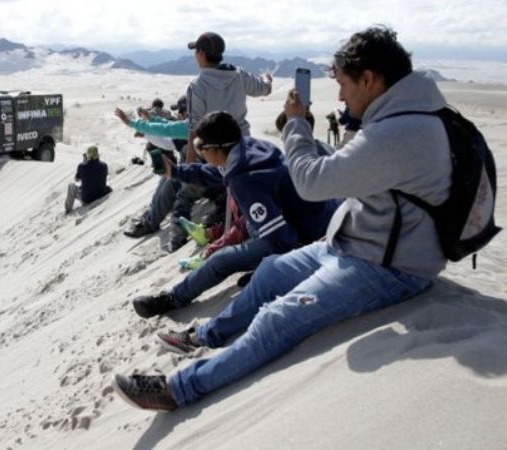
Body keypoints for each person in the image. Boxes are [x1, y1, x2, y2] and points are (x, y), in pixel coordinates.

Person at [112, 25, 452, 412]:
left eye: (343, 84)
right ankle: (203, 334)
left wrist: (295, 123)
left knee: (278, 317)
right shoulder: (402, 116)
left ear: (370, 79)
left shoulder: (399, 131)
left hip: (387, 264)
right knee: (270, 273)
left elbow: (311, 182)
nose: (340, 95)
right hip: (353, 240)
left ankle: (179, 388)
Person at [131, 111, 338, 318]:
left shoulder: (243, 178)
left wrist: (272, 269)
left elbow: (280, 237)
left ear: (216, 149)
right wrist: (176, 172)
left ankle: (173, 298)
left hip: (304, 233)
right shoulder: (248, 148)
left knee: (222, 260)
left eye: (200, 147)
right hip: (311, 214)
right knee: (246, 227)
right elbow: (216, 173)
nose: (200, 152)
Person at [118, 97, 226, 252]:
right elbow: (168, 128)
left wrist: (133, 123)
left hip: (212, 180)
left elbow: (167, 131)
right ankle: (151, 217)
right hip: (207, 176)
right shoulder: (199, 124)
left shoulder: (195, 126)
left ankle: (174, 240)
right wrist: (150, 122)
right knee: (171, 178)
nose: (180, 116)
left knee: (180, 192)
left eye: (182, 112)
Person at [185, 32, 273, 163]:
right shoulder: (239, 75)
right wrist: (267, 78)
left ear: (201, 53)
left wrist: (188, 170)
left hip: (214, 154)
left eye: (196, 51)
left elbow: (194, 130)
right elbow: (265, 89)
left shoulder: (197, 86)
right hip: (243, 147)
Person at [64, 145, 111, 214]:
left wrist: (84, 162)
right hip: (101, 195)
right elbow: (103, 174)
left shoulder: (81, 166)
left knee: (71, 186)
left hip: (87, 199)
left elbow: (77, 179)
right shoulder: (104, 165)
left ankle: (68, 210)